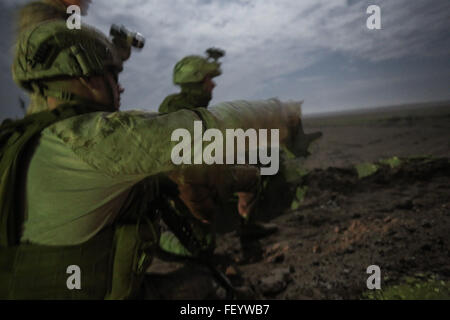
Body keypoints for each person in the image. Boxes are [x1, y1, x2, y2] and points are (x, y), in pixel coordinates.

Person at [0, 17, 307, 299]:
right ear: (85, 77)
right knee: (212, 286)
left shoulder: (23, 139)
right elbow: (209, 128)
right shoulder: (92, 138)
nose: (120, 85)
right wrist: (284, 113)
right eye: (112, 72)